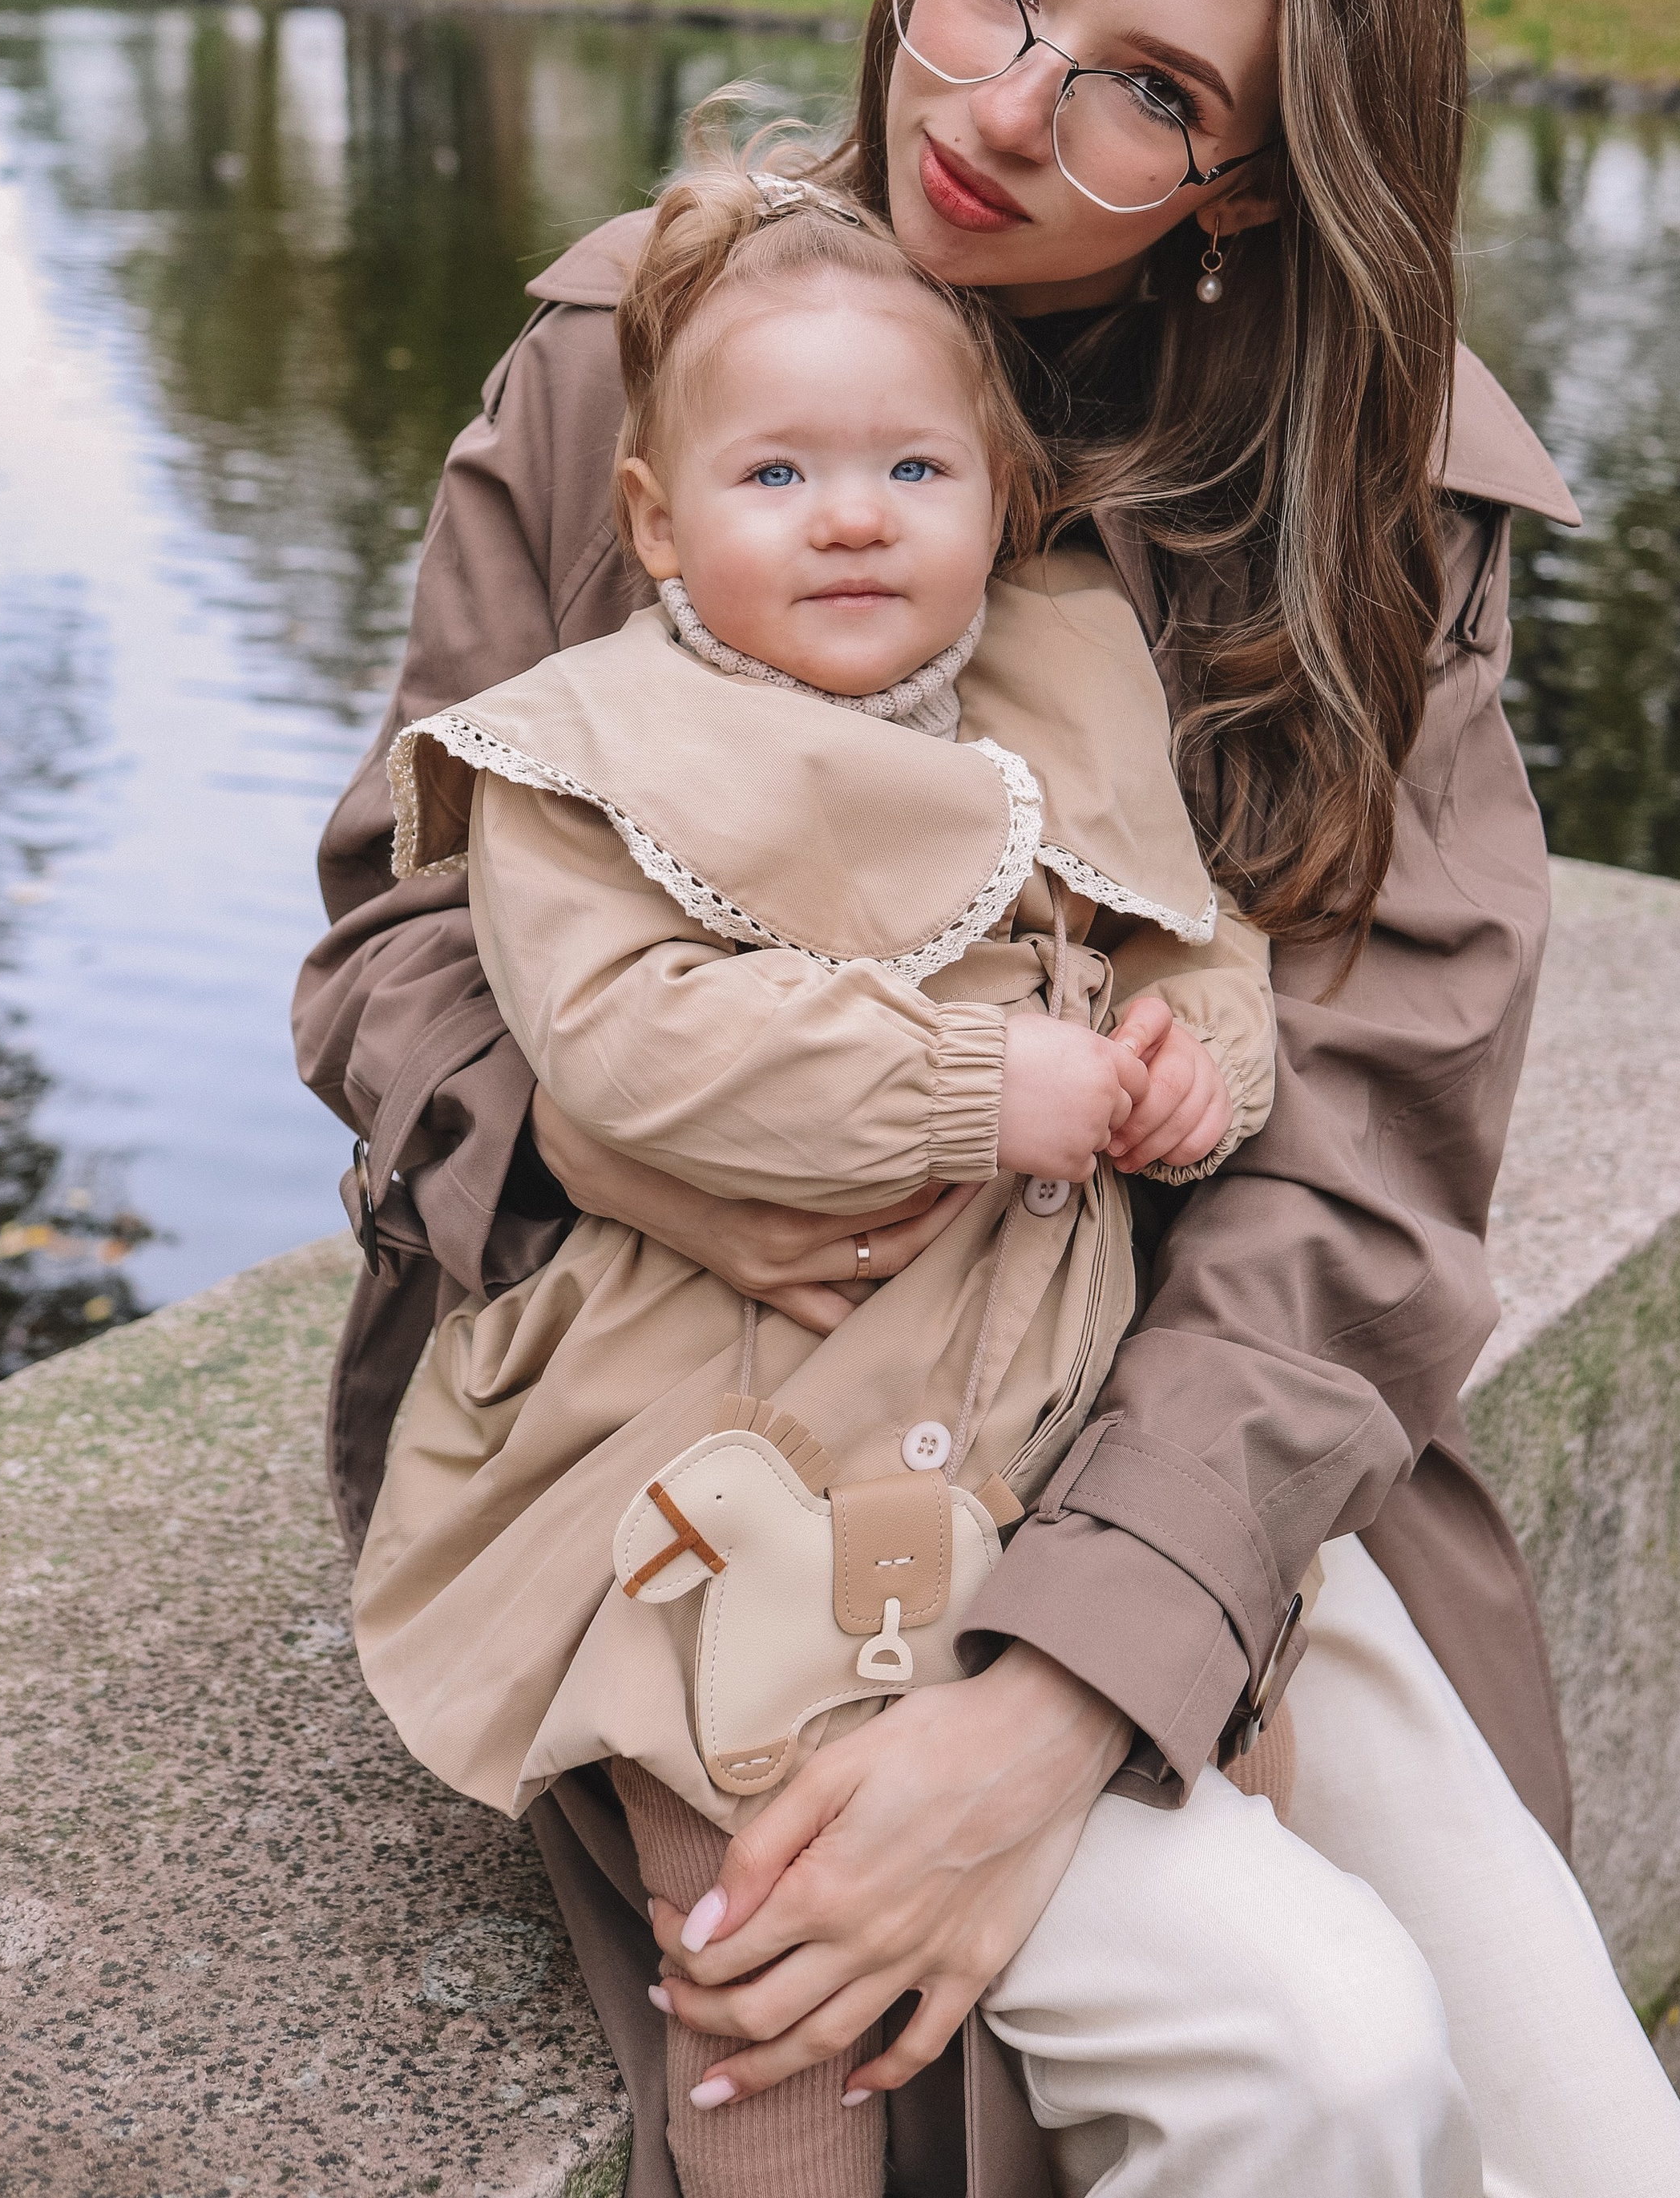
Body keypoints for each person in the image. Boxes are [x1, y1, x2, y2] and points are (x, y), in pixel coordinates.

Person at [297, 0, 1680, 2195]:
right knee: (1303, 2058)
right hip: (721, 1424)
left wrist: (1069, 1686)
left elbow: (1367, 1157)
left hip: (1191, 1404)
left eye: (1149, 90)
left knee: (1581, 2132)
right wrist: (632, 1142)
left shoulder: (1374, 501)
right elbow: (395, 923)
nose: (1004, 101)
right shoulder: (633, 356)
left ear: (1256, 186)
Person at [351, 162, 1279, 2197]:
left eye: (910, 466)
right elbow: (623, 1038)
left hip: (1026, 1420)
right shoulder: (597, 749)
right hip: (713, 1430)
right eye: (776, 473)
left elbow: (1194, 934)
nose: (852, 514)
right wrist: (965, 1081)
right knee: (755, 1900)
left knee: (1231, 1783)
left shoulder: (1052, 686)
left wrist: (1184, 1060)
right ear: (660, 525)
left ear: (994, 499)